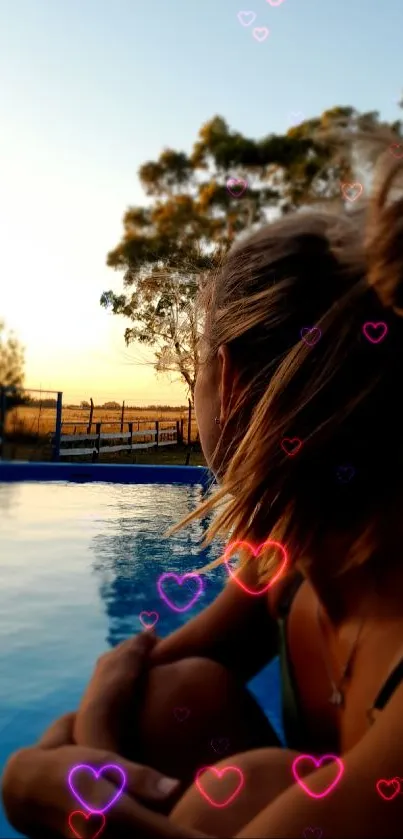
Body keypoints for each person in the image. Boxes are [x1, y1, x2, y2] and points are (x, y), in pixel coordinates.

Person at [3, 137, 403, 839]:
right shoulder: (285, 560)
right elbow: (138, 680)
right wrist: (80, 743)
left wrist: (81, 809)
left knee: (242, 790)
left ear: (231, 378)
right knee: (173, 698)